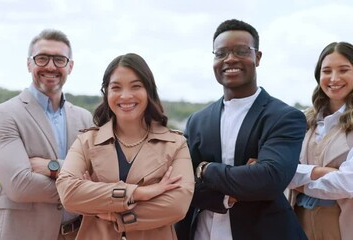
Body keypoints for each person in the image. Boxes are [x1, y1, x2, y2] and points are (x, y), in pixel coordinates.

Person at [175, 19, 308, 240]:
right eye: (221, 53)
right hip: (201, 233)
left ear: (257, 57)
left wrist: (205, 169)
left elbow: (270, 179)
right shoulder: (197, 120)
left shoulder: (284, 117)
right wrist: (229, 193)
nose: (230, 59)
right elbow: (182, 185)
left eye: (241, 51)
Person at [55, 53, 194, 240]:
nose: (126, 96)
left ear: (149, 91)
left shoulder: (175, 144)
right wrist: (139, 192)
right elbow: (69, 193)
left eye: (136, 86)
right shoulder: (86, 141)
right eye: (116, 88)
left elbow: (176, 206)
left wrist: (110, 212)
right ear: (106, 93)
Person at [0, 29, 93, 240]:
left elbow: (99, 175)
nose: (51, 66)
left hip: (77, 233)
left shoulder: (84, 118)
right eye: (42, 58)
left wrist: (51, 166)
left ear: (70, 66)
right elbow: (19, 186)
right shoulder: (5, 114)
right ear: (29, 64)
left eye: (59, 59)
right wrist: (84, 189)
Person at [287, 41, 353, 240]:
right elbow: (277, 166)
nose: (334, 78)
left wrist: (293, 179)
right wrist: (320, 173)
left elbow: (346, 183)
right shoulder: (303, 121)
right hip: (299, 225)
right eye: (326, 71)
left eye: (344, 70)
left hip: (342, 229)